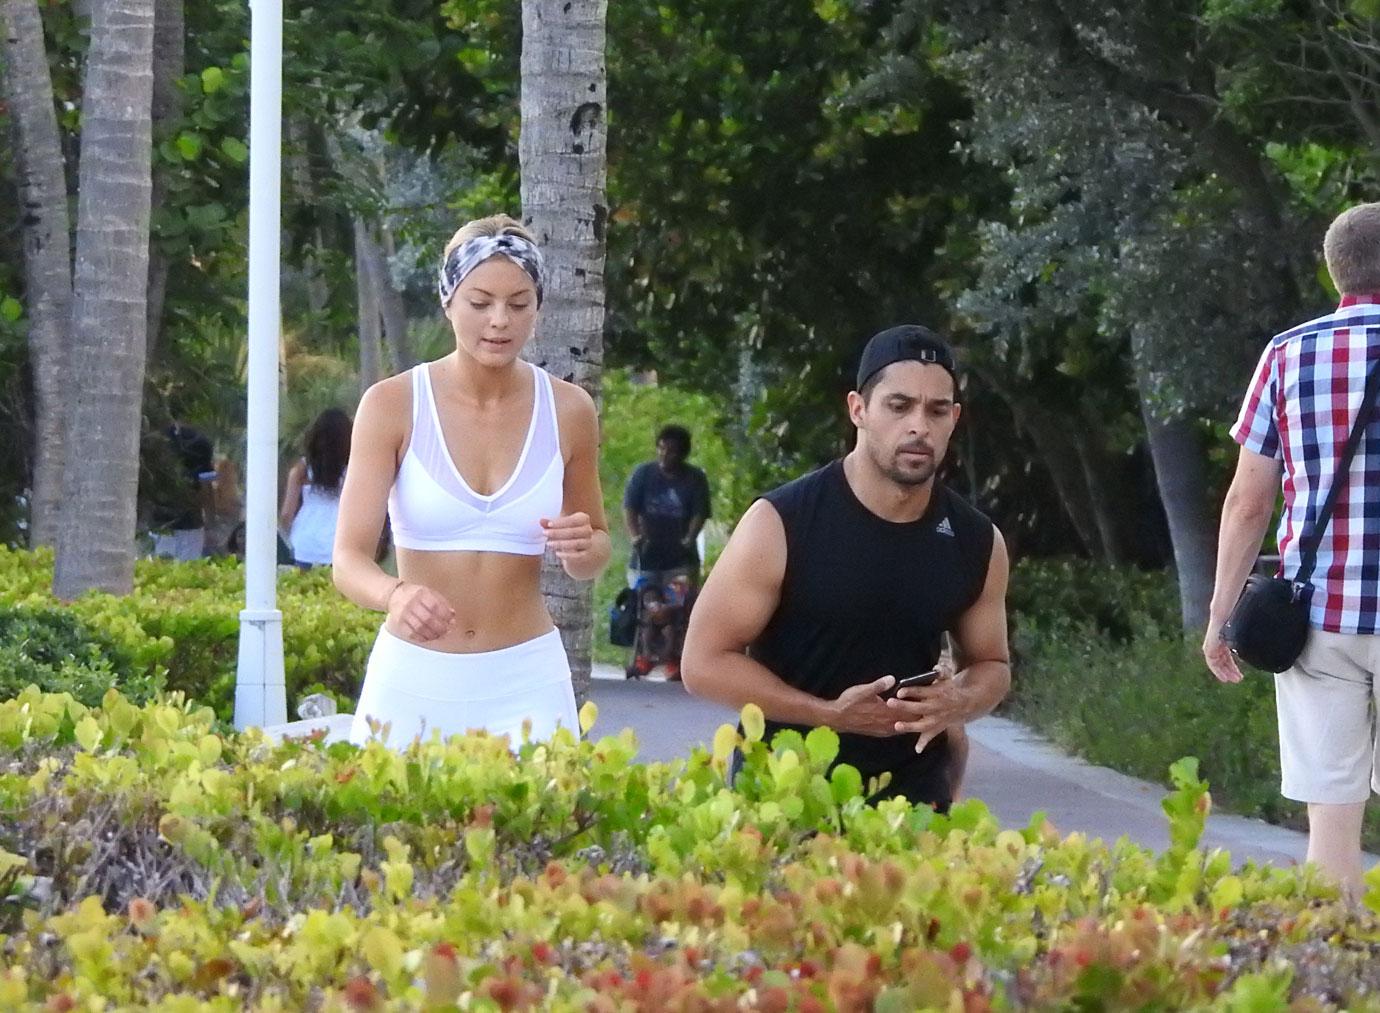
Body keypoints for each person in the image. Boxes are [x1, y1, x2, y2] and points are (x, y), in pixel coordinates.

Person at [681, 325, 1010, 810]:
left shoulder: (976, 540)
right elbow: (703, 663)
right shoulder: (780, 523)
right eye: (899, 406)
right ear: (858, 409)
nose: (919, 426)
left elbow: (992, 665)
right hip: (785, 794)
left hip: (911, 805)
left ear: (954, 418)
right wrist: (827, 714)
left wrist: (958, 701)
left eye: (936, 410)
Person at [332, 214, 610, 750]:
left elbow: (596, 547)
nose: (499, 321)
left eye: (519, 303)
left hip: (528, 678)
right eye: (480, 302)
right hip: (412, 679)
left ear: (538, 306)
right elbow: (347, 560)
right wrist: (396, 594)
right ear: (448, 299)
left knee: (538, 834)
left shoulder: (570, 409)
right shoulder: (392, 404)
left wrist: (582, 550)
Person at [1204, 202, 1380, 898]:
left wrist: (1222, 615)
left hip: (1319, 617)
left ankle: (1336, 978)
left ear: (1335, 271)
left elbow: (1250, 498)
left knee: (1330, 822)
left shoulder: (1289, 352)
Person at [622, 425, 711, 678]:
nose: (665, 455)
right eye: (661, 449)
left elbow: (699, 512)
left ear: (682, 454)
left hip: (680, 562)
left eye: (671, 451)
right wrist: (635, 536)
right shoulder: (644, 474)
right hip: (646, 560)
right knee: (649, 605)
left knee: (674, 607)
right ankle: (644, 656)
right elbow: (630, 507)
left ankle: (672, 659)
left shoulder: (694, 479)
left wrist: (688, 538)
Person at [279, 407, 352, 569]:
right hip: (337, 544)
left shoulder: (301, 469)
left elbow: (286, 514)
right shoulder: (352, 470)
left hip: (303, 544)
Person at [149, 422, 217, 561]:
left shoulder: (156, 439)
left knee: (161, 569)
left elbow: (206, 485)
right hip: (186, 523)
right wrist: (210, 523)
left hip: (166, 523)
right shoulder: (201, 441)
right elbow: (206, 487)